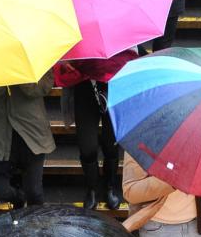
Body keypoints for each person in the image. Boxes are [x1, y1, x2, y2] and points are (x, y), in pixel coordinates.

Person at [54, 50, 138, 209]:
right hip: (84, 86)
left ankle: (110, 186)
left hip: (113, 85)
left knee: (111, 143)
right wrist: (65, 62)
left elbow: (132, 55)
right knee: (87, 146)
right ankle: (92, 189)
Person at [0, 71, 55, 215]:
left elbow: (44, 87)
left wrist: (20, 75)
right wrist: (1, 78)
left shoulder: (33, 60)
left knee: (34, 192)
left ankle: (36, 225)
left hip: (31, 132)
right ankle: (18, 198)